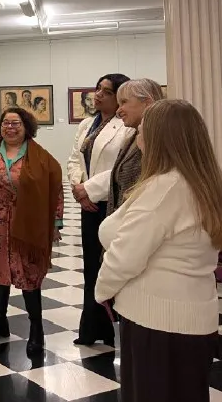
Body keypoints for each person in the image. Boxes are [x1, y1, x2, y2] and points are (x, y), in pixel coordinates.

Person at [96, 99, 222, 402]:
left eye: (142, 128)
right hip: (192, 318)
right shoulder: (203, 181)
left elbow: (126, 257)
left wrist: (102, 291)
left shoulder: (165, 188)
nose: (137, 134)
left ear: (158, 137)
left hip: (157, 321)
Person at [0, 108, 63, 355]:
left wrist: (55, 223)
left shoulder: (41, 158)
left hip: (28, 224)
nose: (10, 128)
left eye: (16, 123)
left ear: (26, 126)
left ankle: (36, 328)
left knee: (29, 274)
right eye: (6, 123)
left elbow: (55, 190)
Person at [67, 73, 131, 347]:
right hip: (89, 203)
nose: (98, 95)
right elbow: (74, 159)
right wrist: (78, 186)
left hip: (112, 202)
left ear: (119, 97)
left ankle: (121, 324)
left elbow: (122, 167)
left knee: (113, 264)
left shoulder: (127, 127)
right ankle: (93, 328)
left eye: (106, 91)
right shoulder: (87, 124)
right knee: (92, 265)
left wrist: (89, 189)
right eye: (98, 89)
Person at [82, 79, 164, 217]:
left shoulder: (158, 142)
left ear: (147, 103)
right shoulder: (133, 137)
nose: (119, 110)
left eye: (124, 102)